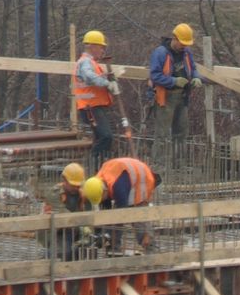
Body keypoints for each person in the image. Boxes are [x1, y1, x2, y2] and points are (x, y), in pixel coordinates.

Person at [86, 157, 161, 254]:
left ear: (104, 191)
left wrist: (107, 234)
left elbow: (121, 216)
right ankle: (113, 250)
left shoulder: (118, 187)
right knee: (110, 218)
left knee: (137, 219)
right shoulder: (97, 183)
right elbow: (105, 212)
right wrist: (100, 233)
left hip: (142, 181)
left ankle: (152, 251)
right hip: (127, 176)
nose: (101, 201)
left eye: (101, 198)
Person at [147, 23, 201, 151]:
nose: (184, 46)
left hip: (182, 97)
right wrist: (173, 81)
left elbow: (192, 68)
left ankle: (178, 166)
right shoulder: (160, 53)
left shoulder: (186, 52)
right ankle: (159, 167)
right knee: (162, 135)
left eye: (186, 44)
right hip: (165, 98)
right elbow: (155, 75)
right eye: (182, 43)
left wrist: (196, 77)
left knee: (181, 133)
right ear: (174, 38)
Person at [72, 29, 120, 171]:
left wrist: (107, 79)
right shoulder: (85, 62)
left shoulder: (92, 63)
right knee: (106, 137)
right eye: (101, 47)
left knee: (101, 138)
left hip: (95, 107)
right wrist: (107, 83)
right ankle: (91, 166)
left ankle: (98, 169)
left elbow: (94, 79)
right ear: (92, 46)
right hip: (90, 107)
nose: (103, 51)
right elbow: (89, 77)